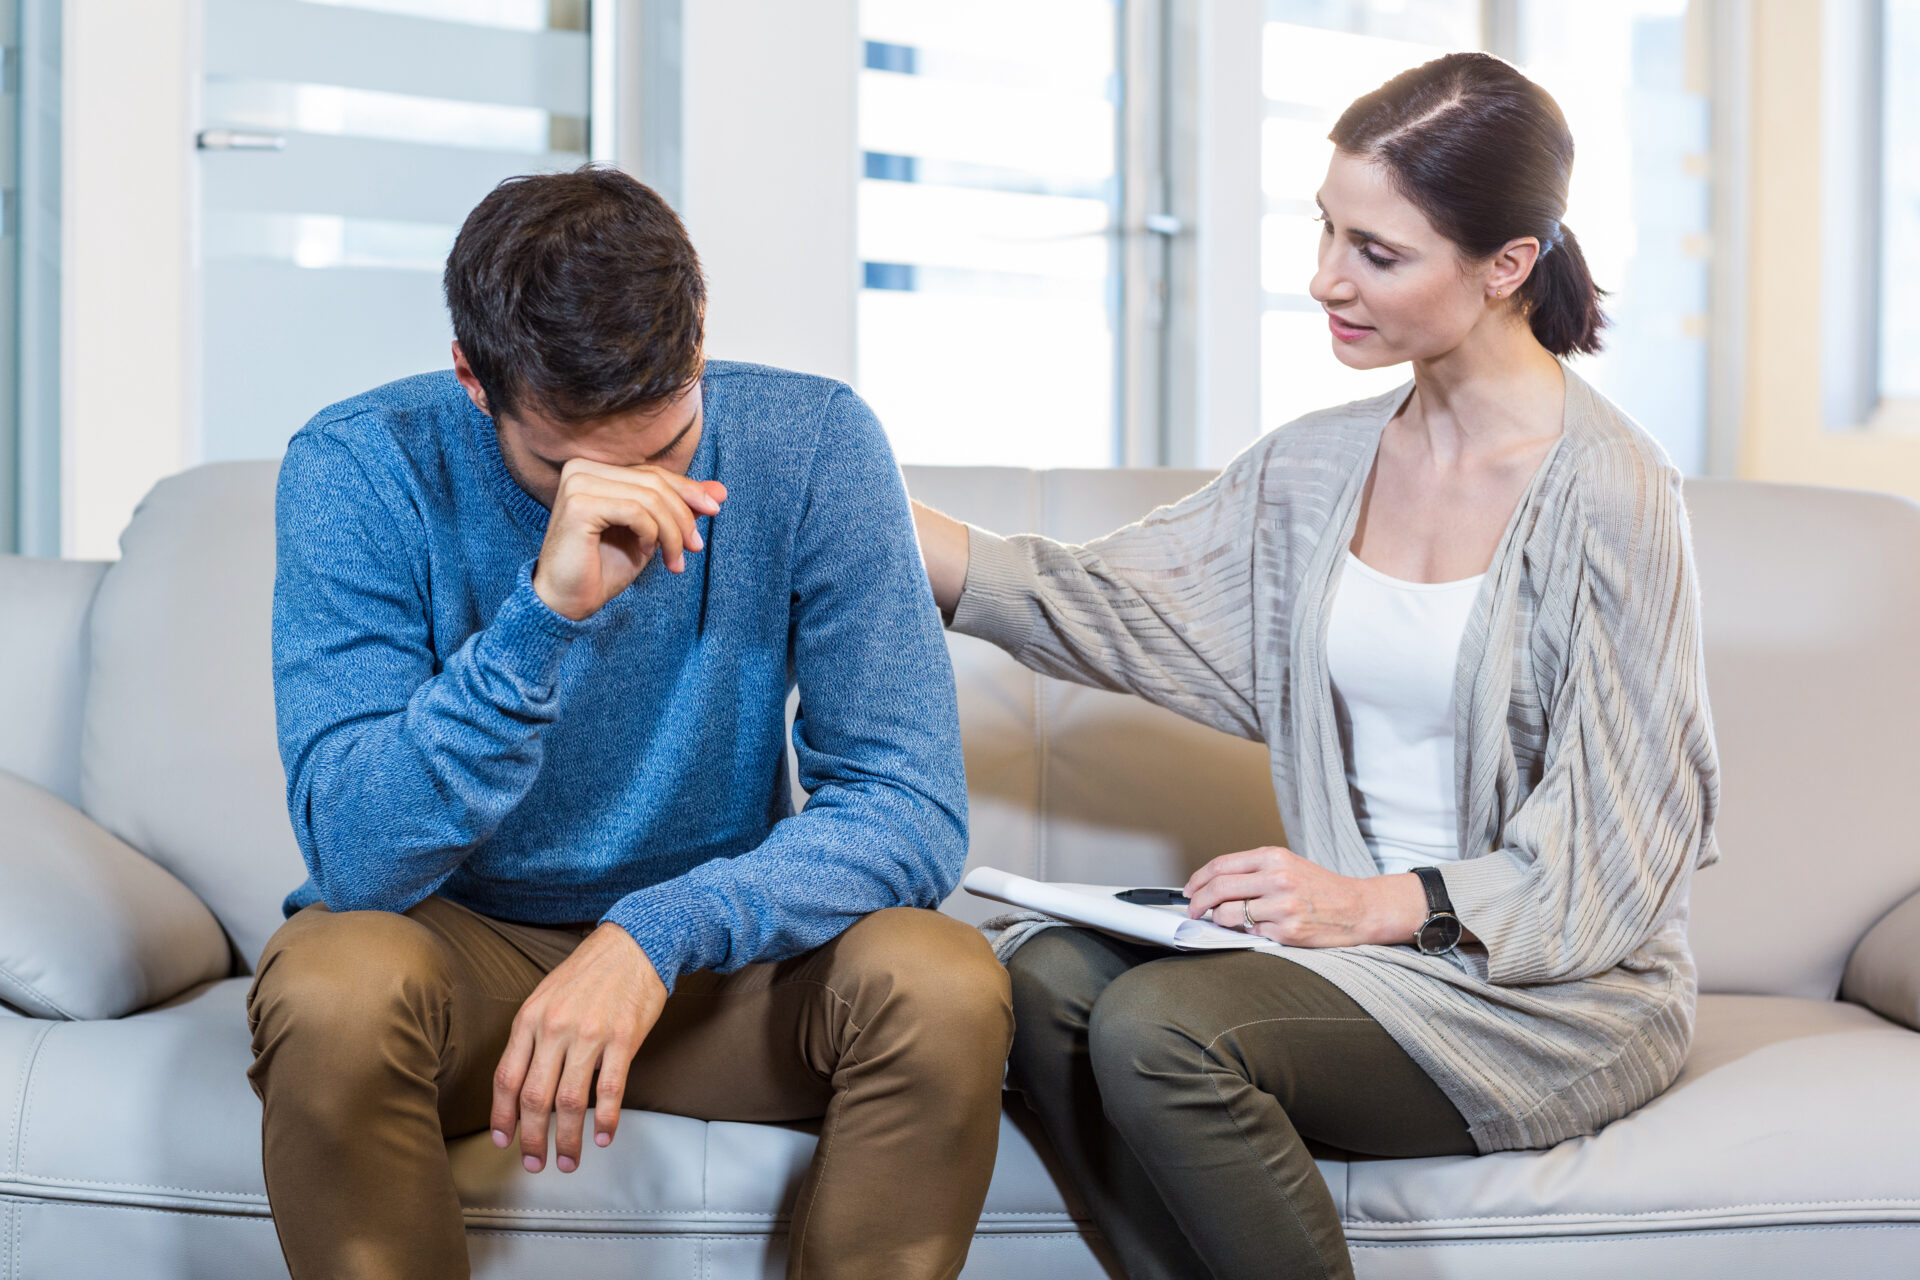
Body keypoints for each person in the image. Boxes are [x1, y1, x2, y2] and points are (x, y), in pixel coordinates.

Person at [911, 52, 1720, 1280]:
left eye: (1378, 254)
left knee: (1160, 1031)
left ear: (1507, 266)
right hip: (1352, 964)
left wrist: (1369, 903)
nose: (1325, 279)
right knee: (1039, 983)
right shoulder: (1312, 468)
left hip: (1551, 998)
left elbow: (1621, 846)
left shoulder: (1614, 493)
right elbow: (1107, 603)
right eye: (1326, 230)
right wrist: (851, 502)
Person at [246, 166, 1013, 1280]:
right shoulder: (359, 465)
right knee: (331, 986)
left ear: (699, 344)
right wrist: (541, 617)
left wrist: (656, 932)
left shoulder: (816, 442)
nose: (633, 501)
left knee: (940, 980)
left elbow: (910, 805)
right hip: (469, 951)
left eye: (664, 453)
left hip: (723, 968)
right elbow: (359, 854)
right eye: (567, 468)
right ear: (473, 378)